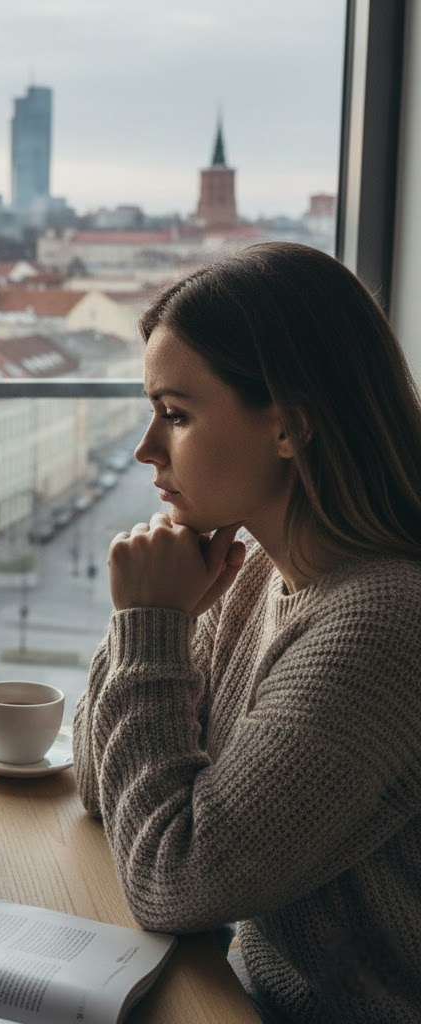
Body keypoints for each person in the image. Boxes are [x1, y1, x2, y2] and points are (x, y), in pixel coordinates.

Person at [72, 241, 421, 1024]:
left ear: (291, 426)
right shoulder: (255, 574)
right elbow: (104, 788)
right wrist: (149, 625)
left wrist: (149, 626)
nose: (146, 450)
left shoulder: (384, 624)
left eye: (176, 415)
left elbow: (171, 880)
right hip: (245, 998)